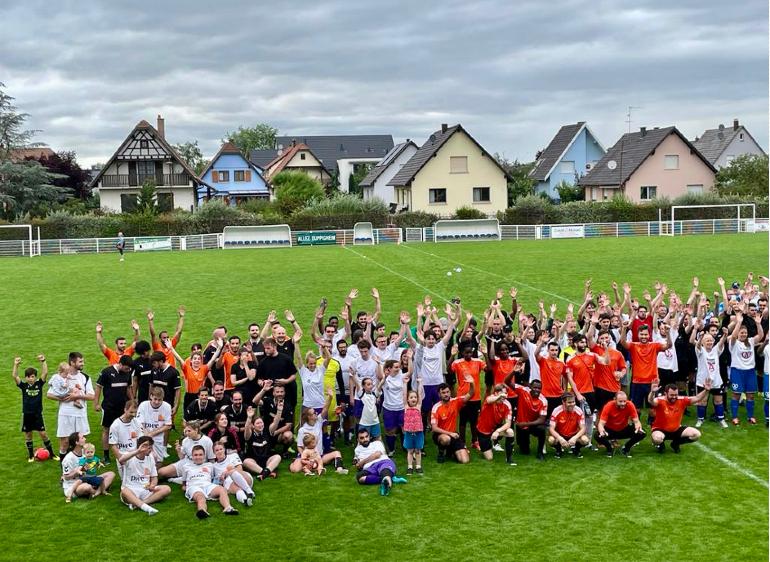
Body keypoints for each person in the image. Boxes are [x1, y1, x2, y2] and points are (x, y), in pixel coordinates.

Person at [619, 322, 671, 423]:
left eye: (646, 334)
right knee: (636, 408)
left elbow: (669, 345)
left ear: (649, 335)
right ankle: (636, 425)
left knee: (653, 408)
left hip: (652, 383)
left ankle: (652, 424)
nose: (644, 336)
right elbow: (623, 342)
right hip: (637, 382)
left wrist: (668, 333)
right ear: (638, 335)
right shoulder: (634, 346)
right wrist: (624, 328)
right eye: (641, 334)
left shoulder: (655, 345)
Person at [48, 352, 94, 461]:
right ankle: (64, 468)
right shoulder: (61, 377)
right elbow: (49, 394)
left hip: (80, 414)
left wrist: (77, 396)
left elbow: (92, 396)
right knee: (65, 442)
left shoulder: (85, 377)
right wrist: (62, 398)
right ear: (72, 363)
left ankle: (81, 468)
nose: (83, 363)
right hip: (65, 413)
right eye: (80, 361)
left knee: (81, 443)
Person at [290, 390, 348, 474]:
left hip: (319, 456)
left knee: (337, 453)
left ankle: (339, 469)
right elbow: (299, 446)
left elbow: (325, 409)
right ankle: (297, 463)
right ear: (309, 417)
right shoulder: (302, 430)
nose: (316, 413)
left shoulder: (319, 421)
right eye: (314, 413)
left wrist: (330, 397)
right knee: (295, 469)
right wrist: (305, 458)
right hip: (306, 457)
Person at [13, 355, 57, 462]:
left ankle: (52, 454)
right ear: (26, 378)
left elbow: (45, 373)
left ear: (35, 377)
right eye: (28, 377)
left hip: (37, 414)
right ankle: (31, 456)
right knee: (28, 435)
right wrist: (16, 364)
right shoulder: (23, 386)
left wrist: (43, 361)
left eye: (32, 376)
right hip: (27, 414)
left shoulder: (39, 384)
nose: (30, 379)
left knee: (43, 434)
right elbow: (15, 376)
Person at [649, 380, 713, 453]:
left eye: (676, 395)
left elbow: (697, 398)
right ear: (665, 393)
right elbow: (651, 401)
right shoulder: (659, 400)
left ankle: (675, 443)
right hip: (660, 429)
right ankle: (660, 444)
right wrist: (652, 392)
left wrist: (706, 390)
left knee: (696, 434)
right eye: (671, 395)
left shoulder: (682, 400)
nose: (674, 397)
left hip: (676, 429)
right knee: (657, 439)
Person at [93, 355, 134, 465]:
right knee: (106, 429)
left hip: (122, 407)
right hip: (109, 407)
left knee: (123, 428)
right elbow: (98, 387)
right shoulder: (106, 372)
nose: (128, 370)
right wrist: (96, 403)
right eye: (126, 368)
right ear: (120, 364)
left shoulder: (128, 373)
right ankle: (106, 455)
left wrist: (132, 401)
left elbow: (128, 388)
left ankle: (123, 451)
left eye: (129, 369)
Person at [728, 307, 764, 424]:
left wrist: (758, 323)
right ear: (738, 333)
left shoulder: (751, 341)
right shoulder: (734, 343)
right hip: (737, 371)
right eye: (742, 333)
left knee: (750, 395)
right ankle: (734, 417)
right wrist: (738, 322)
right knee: (736, 395)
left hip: (750, 372)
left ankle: (750, 416)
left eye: (745, 333)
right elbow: (733, 336)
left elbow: (761, 335)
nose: (744, 334)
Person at [183, 444, 239, 519]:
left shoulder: (210, 465)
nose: (198, 457)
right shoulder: (186, 467)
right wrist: (184, 486)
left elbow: (213, 478)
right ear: (192, 456)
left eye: (200, 455)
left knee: (222, 489)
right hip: (194, 486)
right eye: (195, 455)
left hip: (207, 485)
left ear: (204, 456)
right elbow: (184, 482)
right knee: (200, 497)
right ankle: (202, 511)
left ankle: (228, 508)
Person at [118, 436, 171, 515]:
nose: (150, 450)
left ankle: (140, 504)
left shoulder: (150, 458)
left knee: (166, 489)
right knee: (124, 491)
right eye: (148, 448)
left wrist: (152, 485)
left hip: (145, 490)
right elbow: (121, 460)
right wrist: (138, 451)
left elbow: (154, 477)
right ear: (140, 446)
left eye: (150, 448)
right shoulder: (130, 456)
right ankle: (147, 508)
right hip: (131, 490)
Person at [690, 320, 728, 428]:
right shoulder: (700, 351)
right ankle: (700, 419)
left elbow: (721, 343)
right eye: (707, 341)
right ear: (703, 342)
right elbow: (697, 345)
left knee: (718, 400)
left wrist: (725, 335)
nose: (709, 342)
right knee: (702, 401)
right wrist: (700, 338)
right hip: (703, 380)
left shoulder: (716, 350)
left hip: (716, 380)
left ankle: (721, 419)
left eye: (711, 340)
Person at [430, 375, 475, 464]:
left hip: (453, 434)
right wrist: (450, 433)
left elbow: (470, 394)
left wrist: (472, 383)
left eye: (447, 392)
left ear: (450, 392)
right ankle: (441, 453)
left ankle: (451, 451)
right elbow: (434, 428)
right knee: (446, 439)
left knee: (465, 460)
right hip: (440, 435)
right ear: (439, 394)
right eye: (443, 393)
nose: (446, 394)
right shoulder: (436, 407)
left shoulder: (455, 401)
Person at [61, 432, 115, 501]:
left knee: (111, 474)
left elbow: (93, 460)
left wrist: (95, 464)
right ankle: (98, 490)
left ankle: (95, 492)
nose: (85, 439)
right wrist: (78, 471)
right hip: (74, 484)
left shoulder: (85, 452)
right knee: (87, 487)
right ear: (77, 442)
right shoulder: (68, 459)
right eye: (82, 438)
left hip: (88, 478)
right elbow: (66, 477)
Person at [450, 345, 485, 450]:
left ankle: (475, 441)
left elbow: (488, 369)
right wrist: (452, 356)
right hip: (463, 397)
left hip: (476, 397)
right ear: (462, 353)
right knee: (463, 421)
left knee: (475, 421)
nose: (468, 354)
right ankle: (462, 442)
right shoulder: (457, 363)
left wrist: (486, 354)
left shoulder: (478, 362)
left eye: (470, 352)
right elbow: (449, 370)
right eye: (466, 352)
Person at [353, 428, 407, 496]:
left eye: (366, 436)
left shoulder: (377, 443)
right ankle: (390, 478)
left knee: (384, 471)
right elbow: (359, 466)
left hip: (383, 462)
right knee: (359, 477)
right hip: (370, 468)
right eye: (362, 438)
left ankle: (386, 485)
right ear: (358, 440)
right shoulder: (357, 450)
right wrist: (360, 464)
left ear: (369, 437)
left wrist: (362, 462)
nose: (365, 439)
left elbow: (377, 455)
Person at [504, 376, 548, 461]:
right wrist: (513, 372)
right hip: (521, 425)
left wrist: (526, 424)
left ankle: (540, 453)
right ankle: (524, 444)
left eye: (539, 388)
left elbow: (541, 419)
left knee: (542, 429)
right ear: (530, 387)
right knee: (524, 451)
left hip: (532, 424)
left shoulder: (544, 401)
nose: (537, 390)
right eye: (535, 387)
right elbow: (507, 381)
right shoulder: (523, 390)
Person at [172, 341, 221, 414]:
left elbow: (213, 360)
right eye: (195, 358)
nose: (197, 360)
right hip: (189, 396)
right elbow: (179, 359)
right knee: (188, 416)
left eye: (198, 359)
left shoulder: (204, 369)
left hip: (200, 396)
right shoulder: (187, 368)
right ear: (191, 360)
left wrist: (219, 348)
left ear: (201, 360)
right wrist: (171, 348)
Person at [595, 392, 646, 457]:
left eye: (624, 401)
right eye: (620, 401)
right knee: (597, 435)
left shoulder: (630, 405)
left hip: (624, 429)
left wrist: (638, 428)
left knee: (642, 433)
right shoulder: (608, 406)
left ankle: (626, 447)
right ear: (615, 399)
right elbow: (601, 423)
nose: (623, 403)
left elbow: (636, 421)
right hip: (610, 431)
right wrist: (602, 431)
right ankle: (609, 448)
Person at [476, 384, 515, 465]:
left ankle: (509, 459)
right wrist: (499, 396)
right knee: (489, 458)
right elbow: (489, 400)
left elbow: (508, 424)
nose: (505, 396)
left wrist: (498, 431)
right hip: (483, 431)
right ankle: (484, 444)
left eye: (506, 393)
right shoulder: (490, 399)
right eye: (502, 393)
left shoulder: (507, 404)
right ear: (496, 393)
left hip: (495, 428)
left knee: (510, 432)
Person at [256, 337, 298, 409]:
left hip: (287, 393)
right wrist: (262, 383)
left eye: (268, 348)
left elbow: (294, 375)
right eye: (265, 348)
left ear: (275, 347)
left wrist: (286, 381)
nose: (266, 350)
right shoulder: (263, 362)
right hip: (270, 395)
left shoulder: (286, 359)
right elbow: (259, 379)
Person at [242, 405, 281, 479]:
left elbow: (276, 423)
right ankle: (266, 472)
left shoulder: (267, 431)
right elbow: (247, 428)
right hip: (254, 461)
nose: (260, 425)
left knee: (277, 457)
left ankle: (265, 472)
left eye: (261, 423)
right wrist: (249, 417)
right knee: (246, 462)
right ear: (253, 426)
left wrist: (279, 411)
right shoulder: (249, 434)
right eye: (258, 423)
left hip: (267, 460)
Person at [211, 441, 256, 505]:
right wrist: (220, 480)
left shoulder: (233, 456)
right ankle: (245, 501)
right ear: (214, 452)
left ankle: (249, 491)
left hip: (245, 479)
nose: (219, 451)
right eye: (217, 450)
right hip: (230, 484)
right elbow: (216, 482)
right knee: (235, 487)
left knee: (232, 471)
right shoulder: (214, 466)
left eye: (221, 449)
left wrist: (226, 473)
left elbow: (240, 469)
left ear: (224, 449)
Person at [136, 387, 173, 462]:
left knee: (158, 460)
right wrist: (147, 435)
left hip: (158, 437)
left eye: (159, 400)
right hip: (143, 435)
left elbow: (168, 425)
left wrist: (152, 433)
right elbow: (139, 423)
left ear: (163, 398)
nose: (157, 402)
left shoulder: (167, 407)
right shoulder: (143, 405)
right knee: (142, 458)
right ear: (151, 396)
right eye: (155, 399)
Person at [548, 393, 590, 458]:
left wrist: (575, 438)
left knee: (585, 440)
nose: (572, 404)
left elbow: (583, 428)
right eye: (569, 402)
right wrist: (560, 438)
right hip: (560, 434)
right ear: (563, 402)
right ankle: (558, 450)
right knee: (551, 440)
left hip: (574, 434)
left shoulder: (578, 410)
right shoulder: (556, 410)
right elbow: (551, 428)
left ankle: (576, 449)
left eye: (573, 402)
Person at [108, 399, 141, 479]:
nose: (133, 415)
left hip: (135, 454)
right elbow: (113, 445)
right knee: (126, 480)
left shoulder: (137, 422)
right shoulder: (115, 425)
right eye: (131, 412)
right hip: (123, 456)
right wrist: (120, 459)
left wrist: (139, 454)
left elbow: (141, 439)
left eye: (135, 412)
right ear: (125, 409)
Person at [149, 351, 182, 428]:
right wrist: (149, 399)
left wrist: (176, 406)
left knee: (166, 426)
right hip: (155, 402)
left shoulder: (173, 372)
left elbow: (178, 390)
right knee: (155, 424)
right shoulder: (153, 370)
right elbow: (151, 386)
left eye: (154, 363)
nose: (153, 365)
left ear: (161, 361)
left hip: (167, 403)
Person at [402, 374, 424, 474]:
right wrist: (405, 384)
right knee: (410, 451)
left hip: (419, 432)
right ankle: (410, 467)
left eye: (415, 397)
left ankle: (418, 466)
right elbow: (404, 394)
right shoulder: (406, 407)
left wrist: (420, 383)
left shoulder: (418, 406)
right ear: (408, 399)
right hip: (408, 433)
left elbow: (420, 394)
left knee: (418, 450)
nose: (413, 399)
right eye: (411, 397)